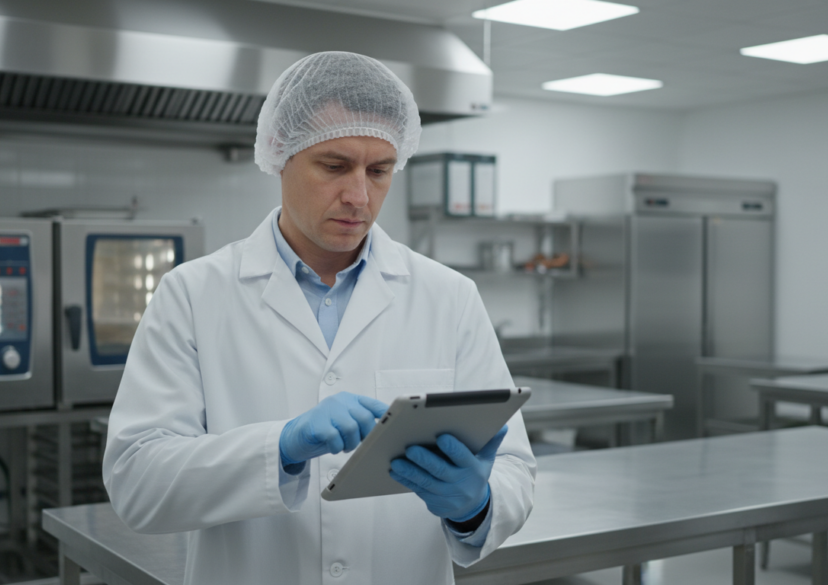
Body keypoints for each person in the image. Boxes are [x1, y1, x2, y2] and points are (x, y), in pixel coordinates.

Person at [102, 51, 536, 585]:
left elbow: (514, 468)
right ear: (280, 156)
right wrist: (278, 448)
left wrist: (476, 504)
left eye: (379, 171)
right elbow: (137, 483)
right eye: (334, 167)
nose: (359, 196)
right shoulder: (194, 295)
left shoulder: (449, 297)